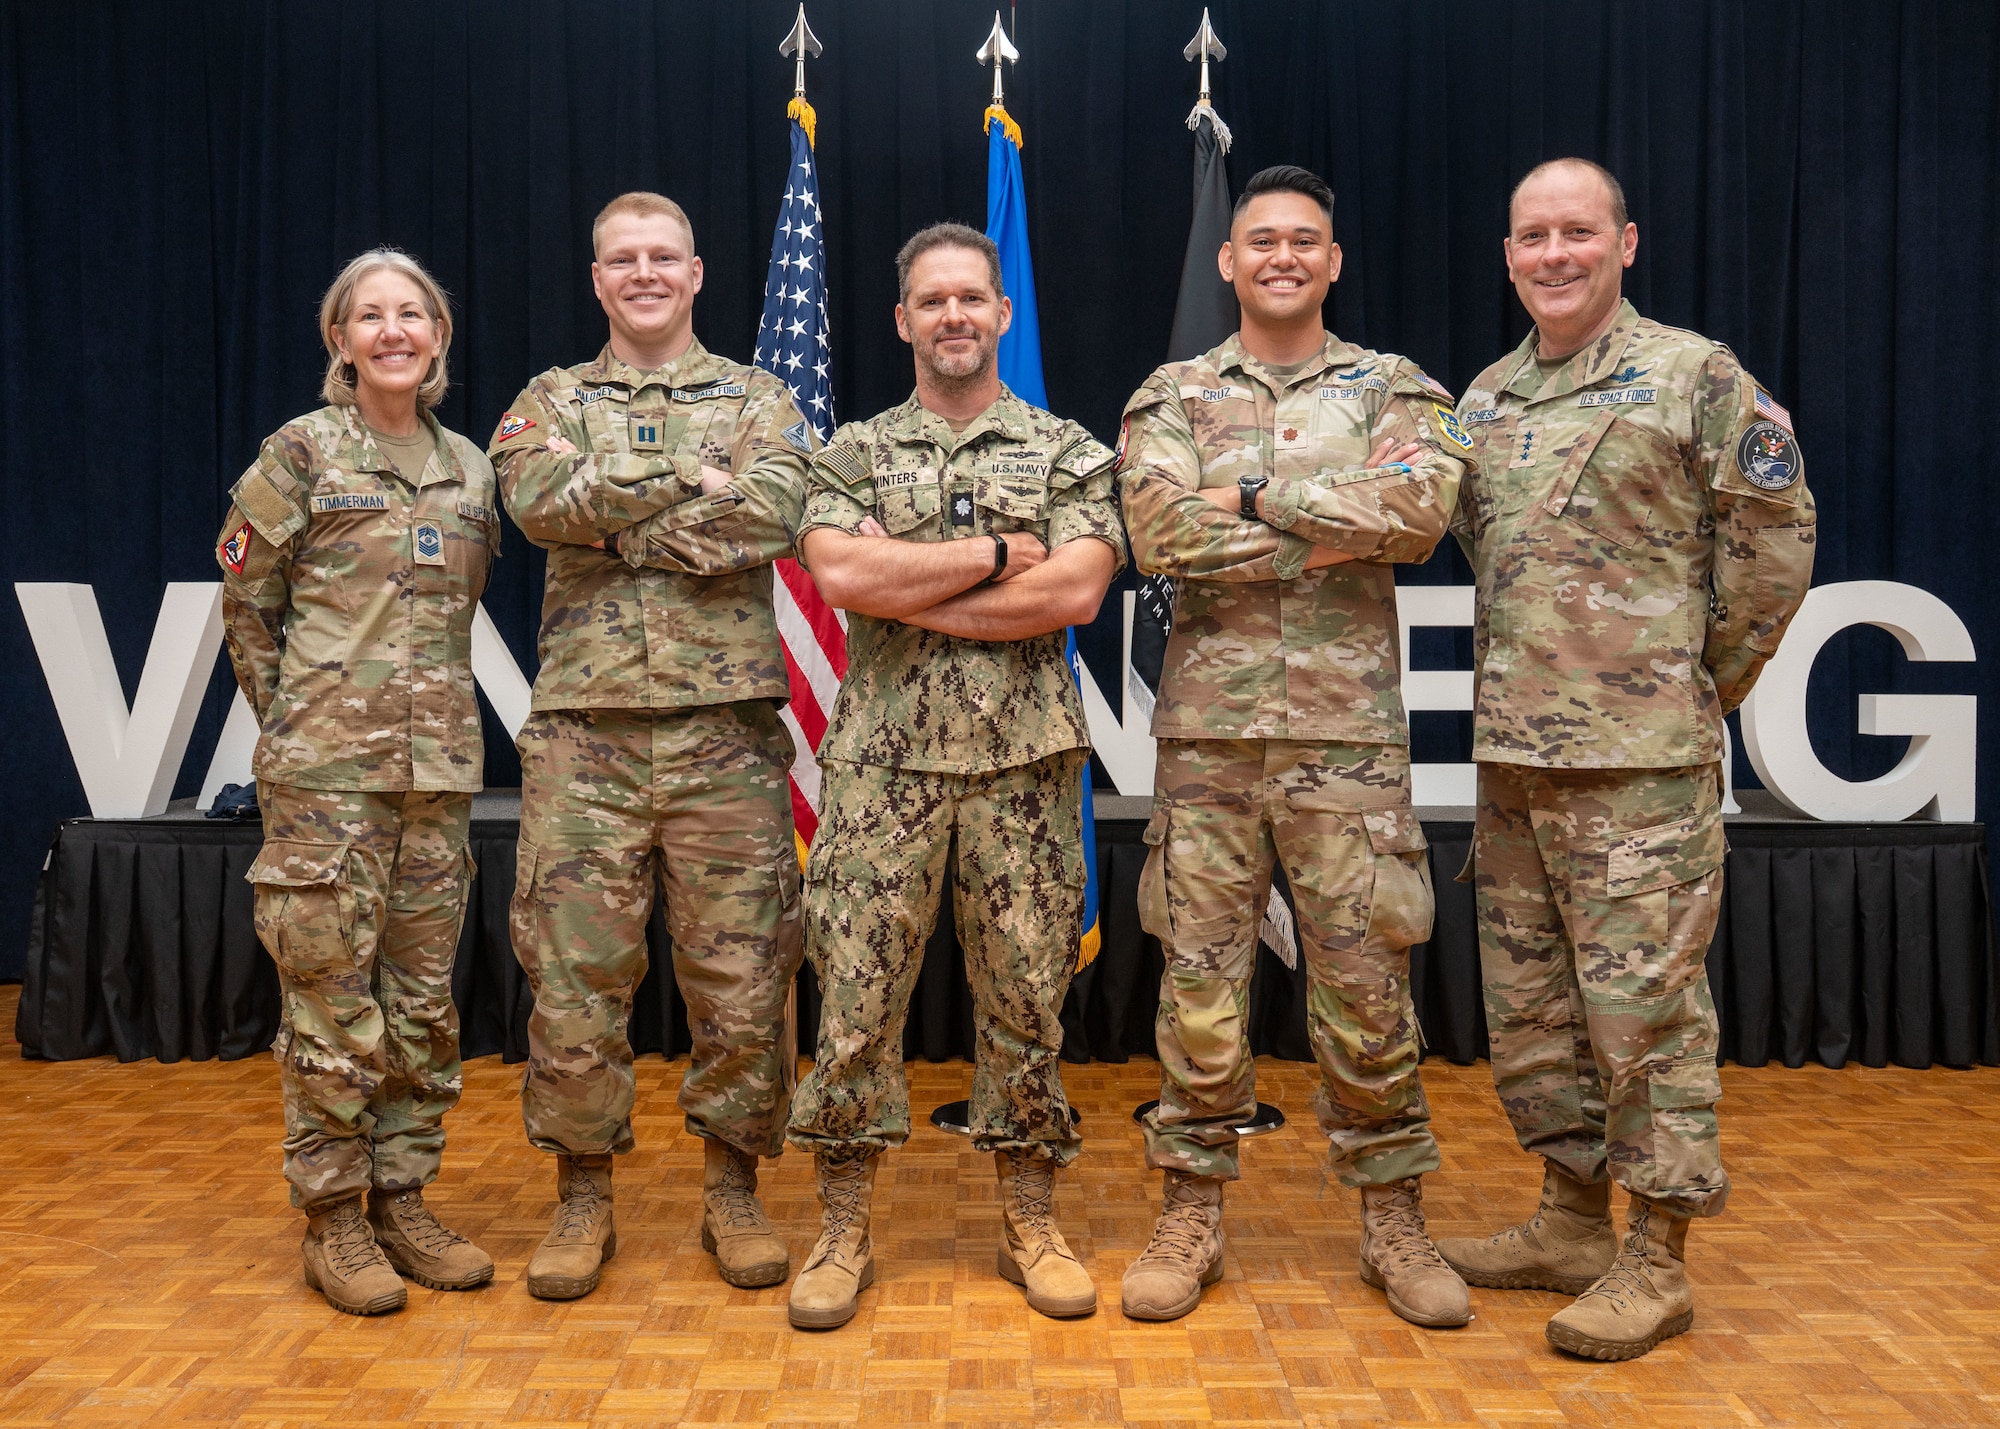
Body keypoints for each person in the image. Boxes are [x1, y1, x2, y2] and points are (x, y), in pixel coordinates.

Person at [1434, 158, 1816, 1360]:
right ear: (1507, 256)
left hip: (1639, 767)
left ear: (1624, 243)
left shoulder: (1695, 376)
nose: (1554, 254)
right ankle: (1566, 1218)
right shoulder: (1484, 400)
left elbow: (1772, 544)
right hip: (1512, 760)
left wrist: (1692, 683)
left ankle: (1655, 1257)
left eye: (1577, 233)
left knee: (1643, 1016)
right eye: (1532, 236)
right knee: (1537, 1010)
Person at [1117, 166, 1472, 1329]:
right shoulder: (1170, 390)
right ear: (1228, 262)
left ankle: (1393, 1220)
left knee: (1368, 990)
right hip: (1208, 745)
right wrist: (1325, 515)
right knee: (1199, 989)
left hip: (1345, 742)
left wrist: (1248, 496)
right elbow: (1154, 529)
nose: (1278, 255)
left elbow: (1415, 520)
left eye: (1301, 240)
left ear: (1332, 260)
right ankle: (1190, 1211)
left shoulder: (1395, 388)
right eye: (1258, 239)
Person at [783, 223, 1124, 1330]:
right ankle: (841, 1227)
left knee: (1027, 1001)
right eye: (930, 301)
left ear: (1001, 312)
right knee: (853, 1007)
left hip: (1021, 769)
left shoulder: (1069, 451)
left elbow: (1072, 594)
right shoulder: (850, 452)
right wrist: (987, 558)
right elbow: (838, 572)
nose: (953, 317)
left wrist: (909, 584)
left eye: (970, 298)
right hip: (881, 769)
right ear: (901, 320)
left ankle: (1031, 1216)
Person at [489, 192, 812, 1300]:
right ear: (596, 280)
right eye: (621, 259)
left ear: (696, 271)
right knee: (576, 979)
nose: (642, 274)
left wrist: (614, 517)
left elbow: (771, 513)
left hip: (725, 736)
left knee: (743, 977)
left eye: (661, 257)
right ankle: (583, 1196)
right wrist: (687, 480)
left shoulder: (760, 396)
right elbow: (536, 501)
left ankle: (733, 1189)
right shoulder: (548, 399)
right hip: (587, 739)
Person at [218, 249, 498, 1315]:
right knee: (333, 1005)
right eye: (368, 316)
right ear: (340, 339)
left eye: (411, 314)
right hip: (327, 782)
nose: (392, 331)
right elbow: (249, 602)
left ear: (437, 335)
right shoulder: (300, 452)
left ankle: (403, 1196)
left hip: (438, 782)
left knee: (420, 1005)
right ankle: (333, 1219)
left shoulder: (471, 468)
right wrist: (299, 725)